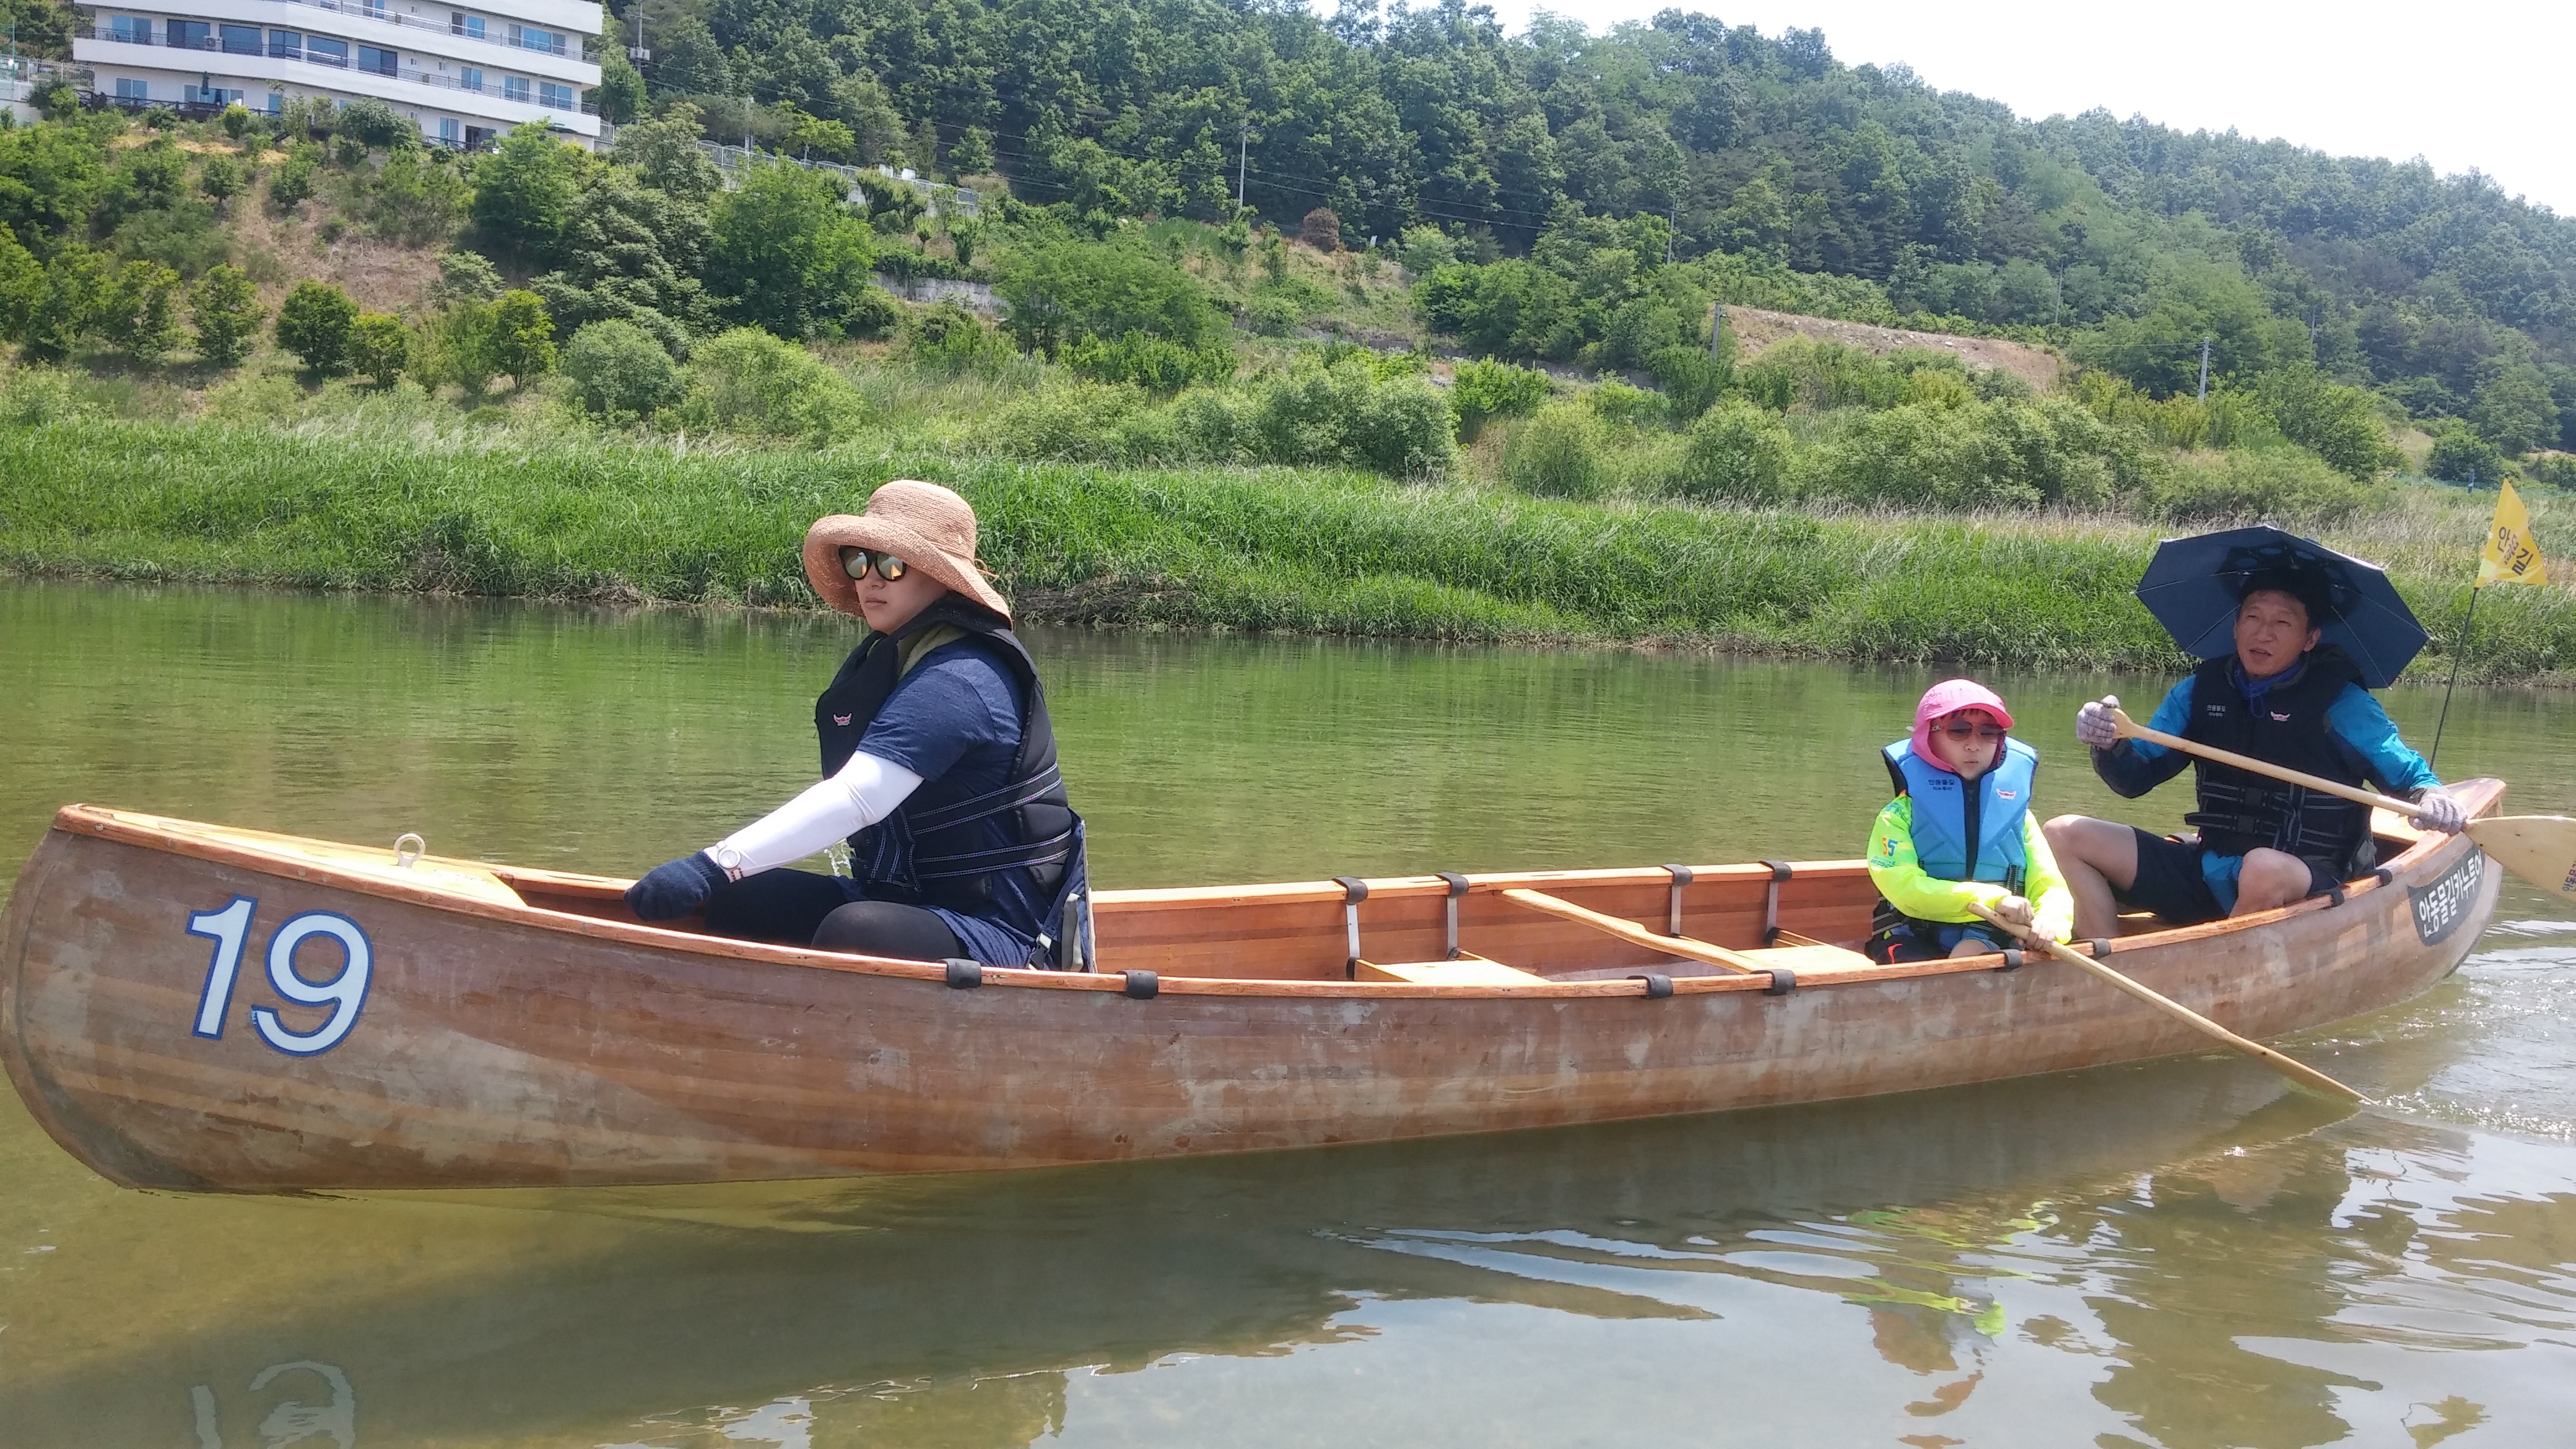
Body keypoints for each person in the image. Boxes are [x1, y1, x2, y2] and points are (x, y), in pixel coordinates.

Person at [624, 479, 1086, 967]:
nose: (871, 579)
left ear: (942, 576)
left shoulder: (962, 677)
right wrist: (722, 880)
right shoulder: (901, 660)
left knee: (856, 930)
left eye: (892, 564)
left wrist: (713, 864)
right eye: (859, 561)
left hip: (1006, 931)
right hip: (905, 900)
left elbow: (859, 796)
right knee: (742, 898)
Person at [2043, 575, 2466, 939]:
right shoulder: (2199, 692)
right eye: (2253, 617)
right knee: (2064, 832)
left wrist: (2429, 795)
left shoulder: (2341, 702)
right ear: (2235, 627)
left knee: (2262, 867)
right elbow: (2136, 777)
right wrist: (2110, 744)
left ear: (2310, 639)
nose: (2262, 633)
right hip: (2210, 867)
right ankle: (2109, 960)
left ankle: (2221, 968)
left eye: (2282, 622)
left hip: (2302, 877)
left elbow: (2405, 773)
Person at [1866, 679, 2075, 962]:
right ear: (1928, 735)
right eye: (1959, 731)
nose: (1974, 745)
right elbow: (1906, 890)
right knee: (1941, 965)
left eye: (1989, 733)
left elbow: (2049, 885)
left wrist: (2052, 921)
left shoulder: (2021, 818)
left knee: (1973, 953)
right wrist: (1993, 899)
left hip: (1990, 935)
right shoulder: (1898, 815)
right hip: (1913, 936)